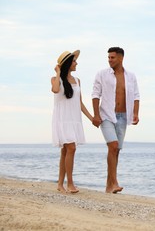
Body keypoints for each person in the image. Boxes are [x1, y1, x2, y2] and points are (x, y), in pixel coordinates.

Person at [92, 47, 140, 193]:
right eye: (108, 57)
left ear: (121, 58)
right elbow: (95, 95)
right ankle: (114, 182)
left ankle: (109, 186)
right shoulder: (102, 74)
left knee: (116, 150)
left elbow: (136, 96)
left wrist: (136, 113)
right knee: (112, 145)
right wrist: (96, 115)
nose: (109, 60)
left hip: (123, 116)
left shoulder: (131, 76)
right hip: (106, 115)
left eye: (112, 57)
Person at [51, 50, 93, 193]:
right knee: (71, 148)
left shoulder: (78, 81)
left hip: (74, 120)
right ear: (68, 64)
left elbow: (79, 103)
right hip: (62, 120)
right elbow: (56, 90)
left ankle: (59, 184)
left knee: (65, 151)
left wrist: (91, 118)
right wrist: (58, 73)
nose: (76, 63)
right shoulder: (55, 79)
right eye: (74, 61)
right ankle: (70, 184)